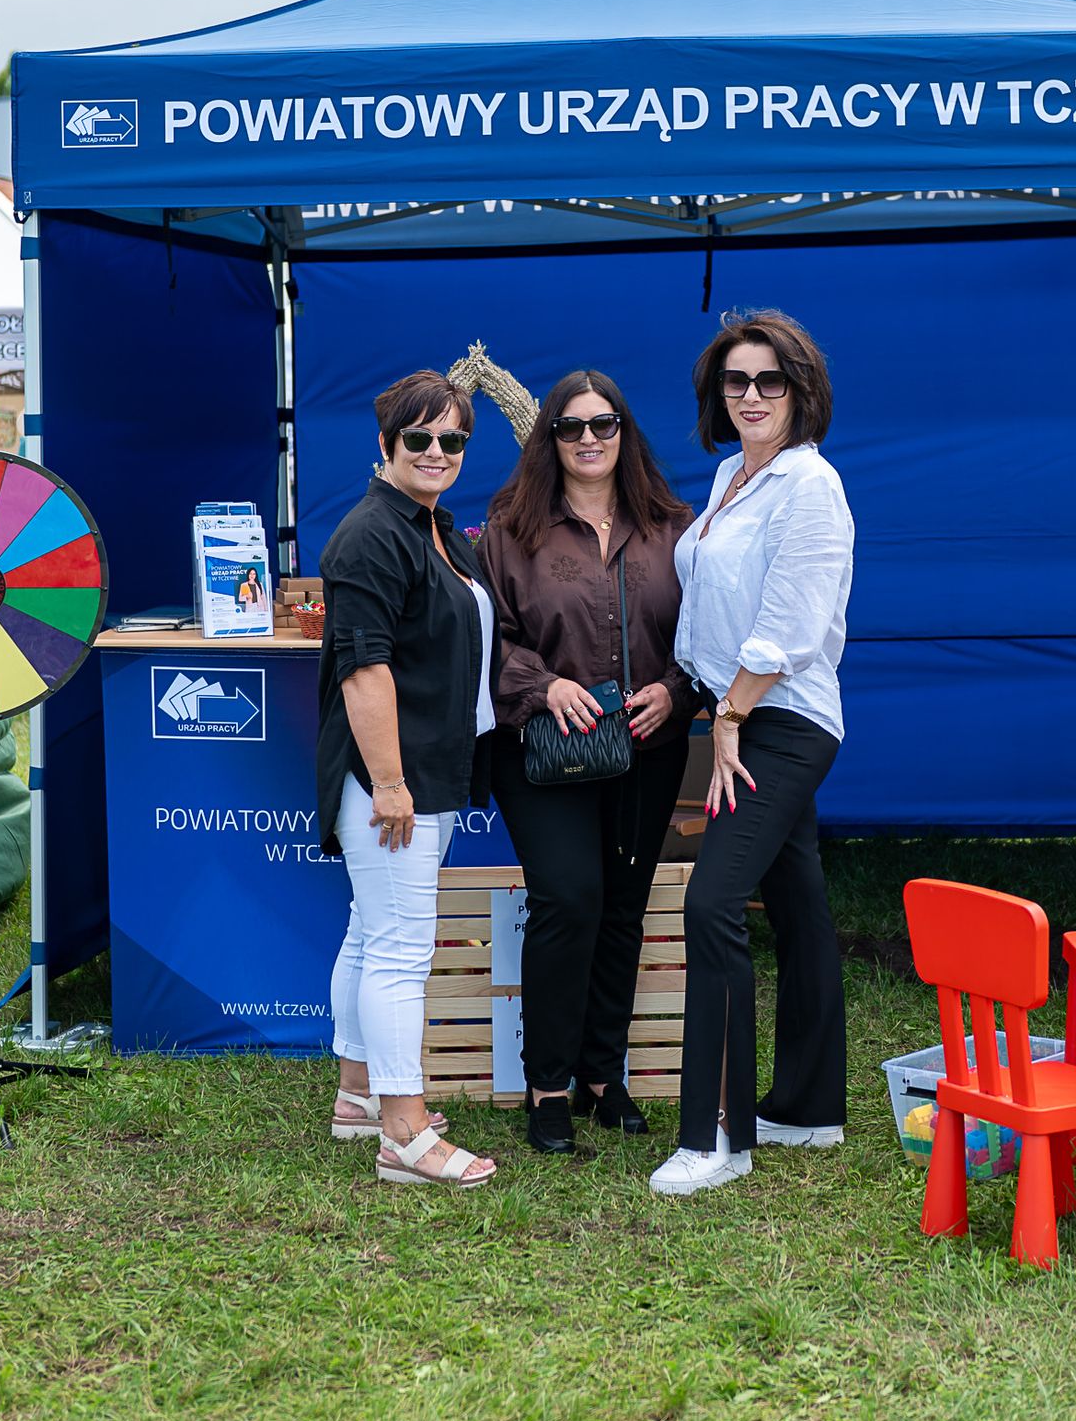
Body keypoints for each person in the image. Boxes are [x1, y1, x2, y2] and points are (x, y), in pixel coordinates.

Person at [649, 309, 855, 1198]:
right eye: (736, 380)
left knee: (712, 902)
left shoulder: (810, 485)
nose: (753, 395)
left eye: (771, 379)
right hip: (733, 708)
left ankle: (717, 1136)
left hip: (780, 721)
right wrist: (688, 690)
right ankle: (808, 1109)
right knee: (799, 903)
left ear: (801, 390)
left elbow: (791, 623)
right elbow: (709, 607)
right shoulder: (732, 475)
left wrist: (730, 713)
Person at [478, 371, 695, 1153]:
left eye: (604, 424)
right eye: (572, 427)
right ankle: (547, 1086)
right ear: (550, 438)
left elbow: (708, 632)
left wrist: (676, 691)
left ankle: (603, 1076)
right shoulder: (511, 528)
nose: (590, 439)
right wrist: (544, 685)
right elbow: (486, 638)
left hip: (647, 746)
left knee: (623, 907)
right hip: (544, 747)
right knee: (569, 898)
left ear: (625, 432)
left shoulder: (675, 528)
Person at [317, 370, 498, 1188]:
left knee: (371, 931)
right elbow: (365, 670)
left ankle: (358, 1096)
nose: (436, 451)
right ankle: (404, 1133)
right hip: (393, 779)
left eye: (452, 439)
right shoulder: (371, 535)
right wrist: (389, 783)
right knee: (399, 949)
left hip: (426, 768)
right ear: (386, 444)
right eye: (419, 438)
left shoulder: (432, 526)